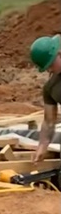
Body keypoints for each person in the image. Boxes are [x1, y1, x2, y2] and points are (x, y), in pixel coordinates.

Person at [30, 34, 61, 162]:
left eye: (51, 64)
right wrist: (42, 146)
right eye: (46, 67)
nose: (49, 69)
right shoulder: (51, 87)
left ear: (59, 53)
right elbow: (49, 121)